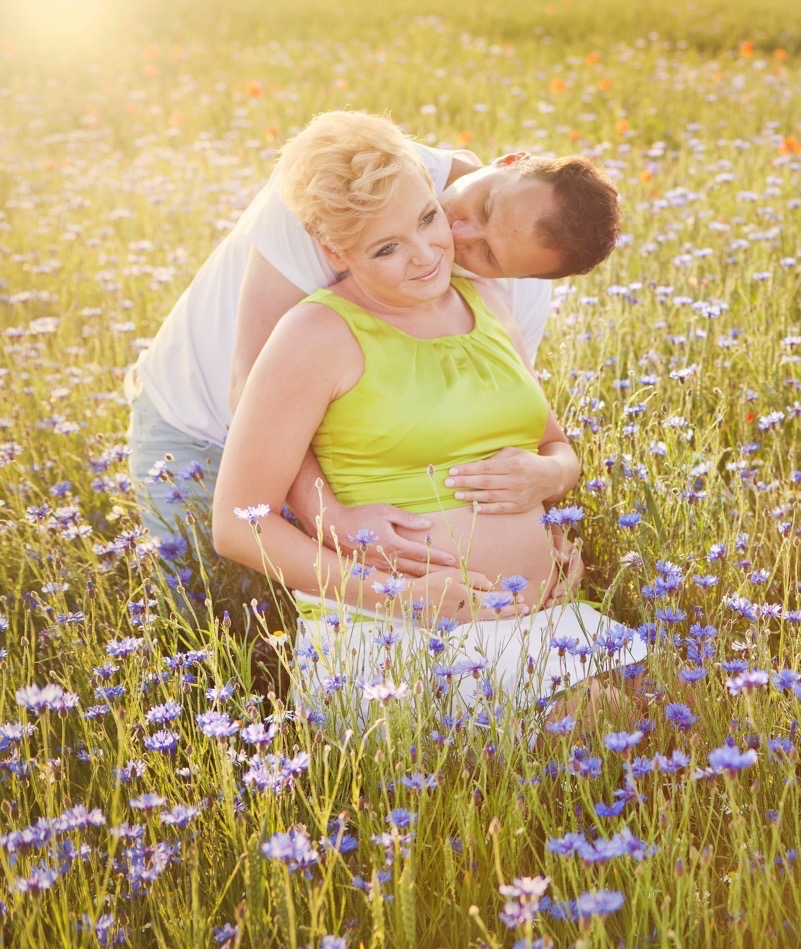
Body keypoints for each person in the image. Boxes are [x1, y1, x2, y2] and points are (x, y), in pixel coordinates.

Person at [211, 110, 643, 723]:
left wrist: (550, 494)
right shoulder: (314, 334)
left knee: (683, 706)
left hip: (541, 619)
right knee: (604, 720)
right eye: (386, 248)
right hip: (397, 634)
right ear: (335, 251)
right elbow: (237, 527)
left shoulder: (486, 300)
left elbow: (551, 443)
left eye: (426, 219)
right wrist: (404, 596)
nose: (426, 256)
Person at [127, 109, 620, 605]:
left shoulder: (508, 289)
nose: (454, 237)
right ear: (510, 161)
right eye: (486, 208)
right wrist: (332, 519)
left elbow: (488, 422)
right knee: (210, 615)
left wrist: (546, 496)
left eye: (488, 255)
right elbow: (246, 394)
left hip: (357, 466)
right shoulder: (339, 188)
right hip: (198, 426)